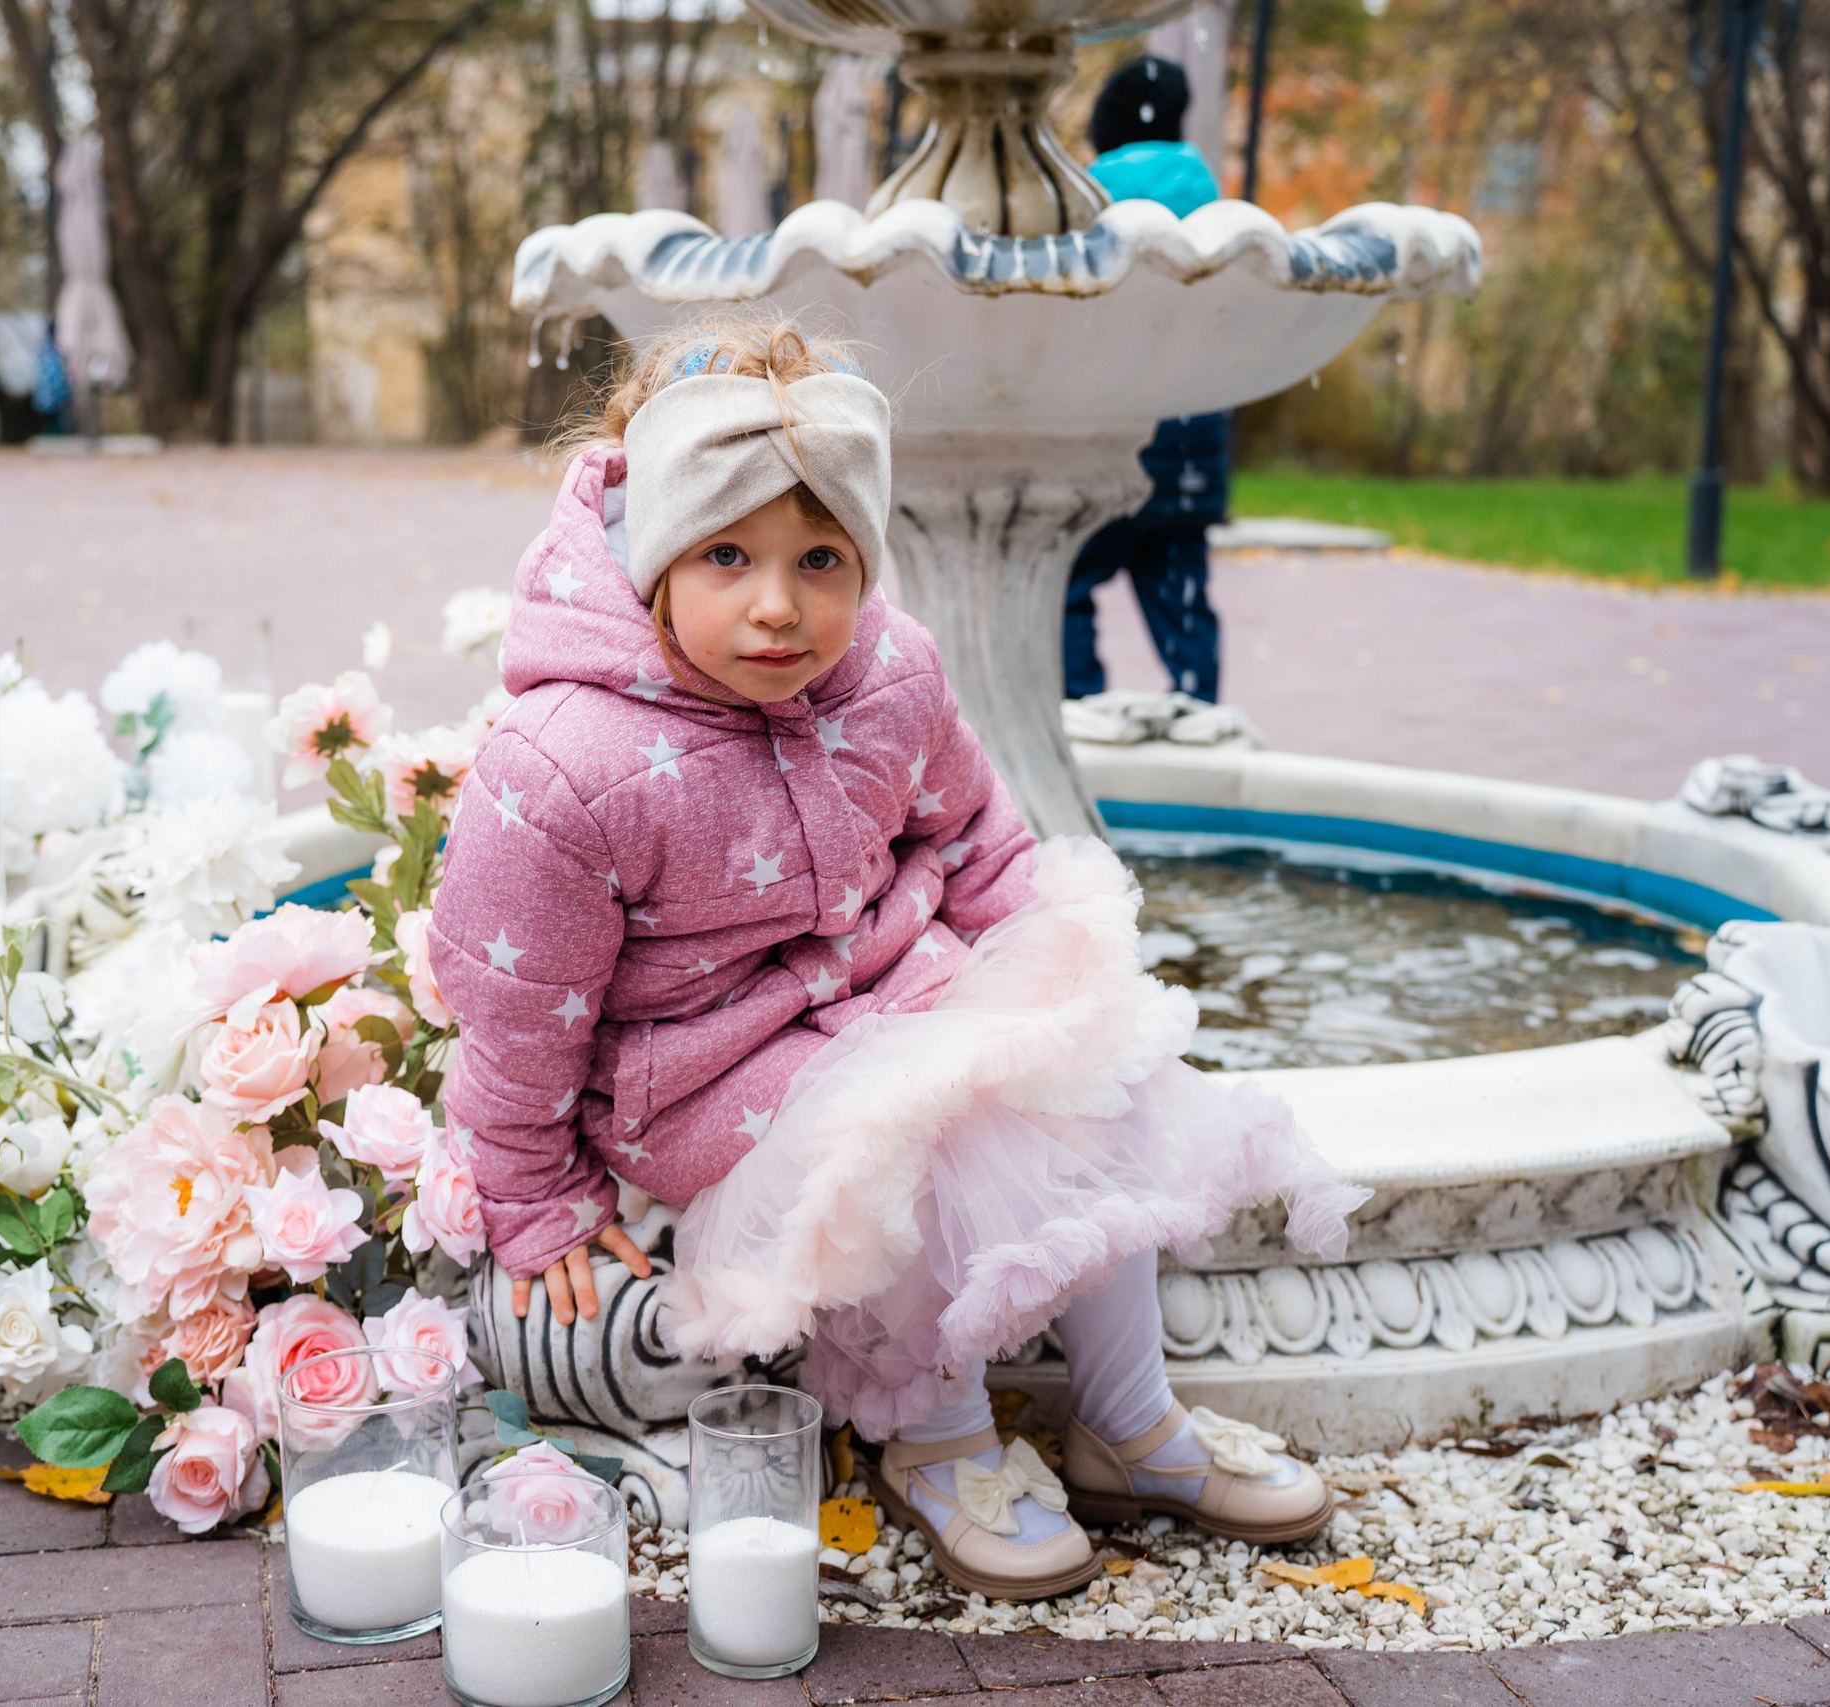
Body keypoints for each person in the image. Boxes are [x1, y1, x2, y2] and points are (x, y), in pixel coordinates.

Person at [426, 315, 1362, 1602]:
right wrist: (536, 1206)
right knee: (911, 1127)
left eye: (821, 558)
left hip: (887, 989)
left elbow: (973, 831)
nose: (779, 604)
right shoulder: (564, 766)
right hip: (706, 1085)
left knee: (1095, 1072)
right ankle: (938, 1438)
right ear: (650, 559)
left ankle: (1126, 1419)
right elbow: (517, 1007)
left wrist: (1047, 971)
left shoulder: (889, 673)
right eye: (726, 556)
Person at [1064, 55, 1230, 704]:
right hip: (1193, 442)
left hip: (1111, 435)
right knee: (1182, 596)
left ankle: (1079, 708)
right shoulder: (1209, 199)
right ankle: (1198, 712)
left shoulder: (1087, 199)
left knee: (1067, 585)